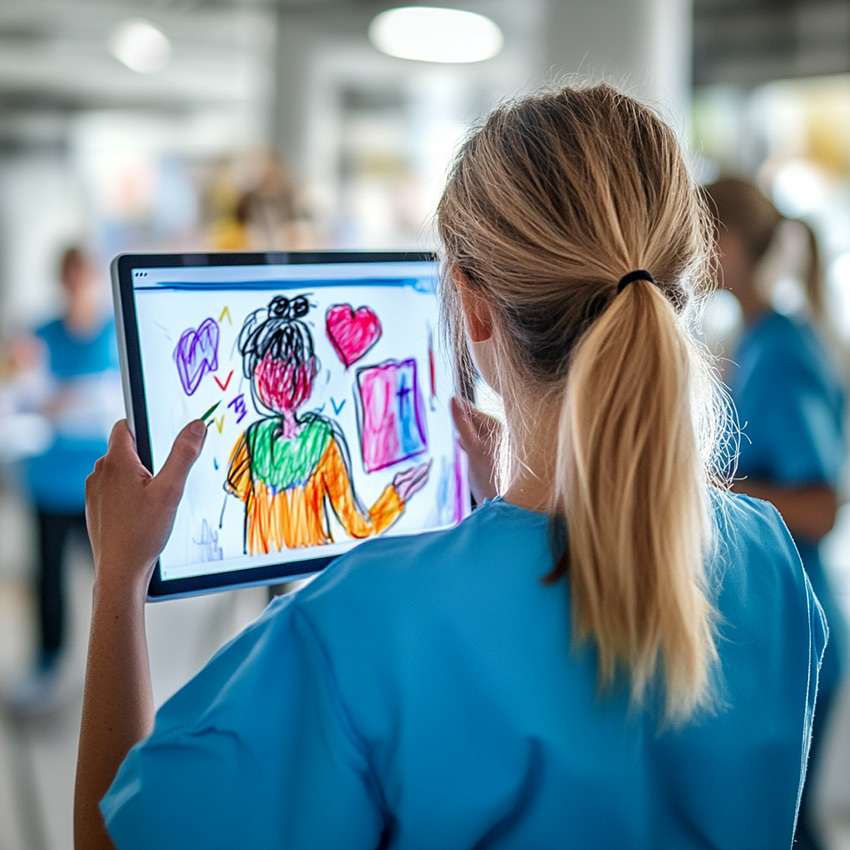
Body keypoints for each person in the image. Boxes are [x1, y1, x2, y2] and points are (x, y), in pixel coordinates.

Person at [77, 85, 826, 849]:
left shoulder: (362, 619)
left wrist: (120, 580)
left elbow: (109, 839)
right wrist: (500, 516)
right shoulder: (765, 558)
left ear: (471, 304)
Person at [704, 177, 847, 850]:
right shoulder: (754, 340)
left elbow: (820, 507)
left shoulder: (783, 352)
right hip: (775, 613)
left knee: (788, 829)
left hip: (801, 617)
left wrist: (708, 489)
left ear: (726, 246)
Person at [7, 245, 120, 715]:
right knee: (49, 581)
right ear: (62, 280)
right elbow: (24, 395)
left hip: (99, 481)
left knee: (112, 583)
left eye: (83, 275)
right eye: (69, 276)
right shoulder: (38, 335)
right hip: (50, 481)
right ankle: (49, 663)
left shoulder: (114, 334)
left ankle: (116, 671)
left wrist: (63, 396)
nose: (77, 285)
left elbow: (116, 401)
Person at [226, 293, 430, 553]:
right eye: (271, 364)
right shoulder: (254, 440)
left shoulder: (315, 440)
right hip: (271, 572)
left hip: (312, 574)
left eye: (287, 363)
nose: (279, 375)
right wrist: (396, 496)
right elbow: (358, 526)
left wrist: (395, 495)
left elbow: (357, 526)